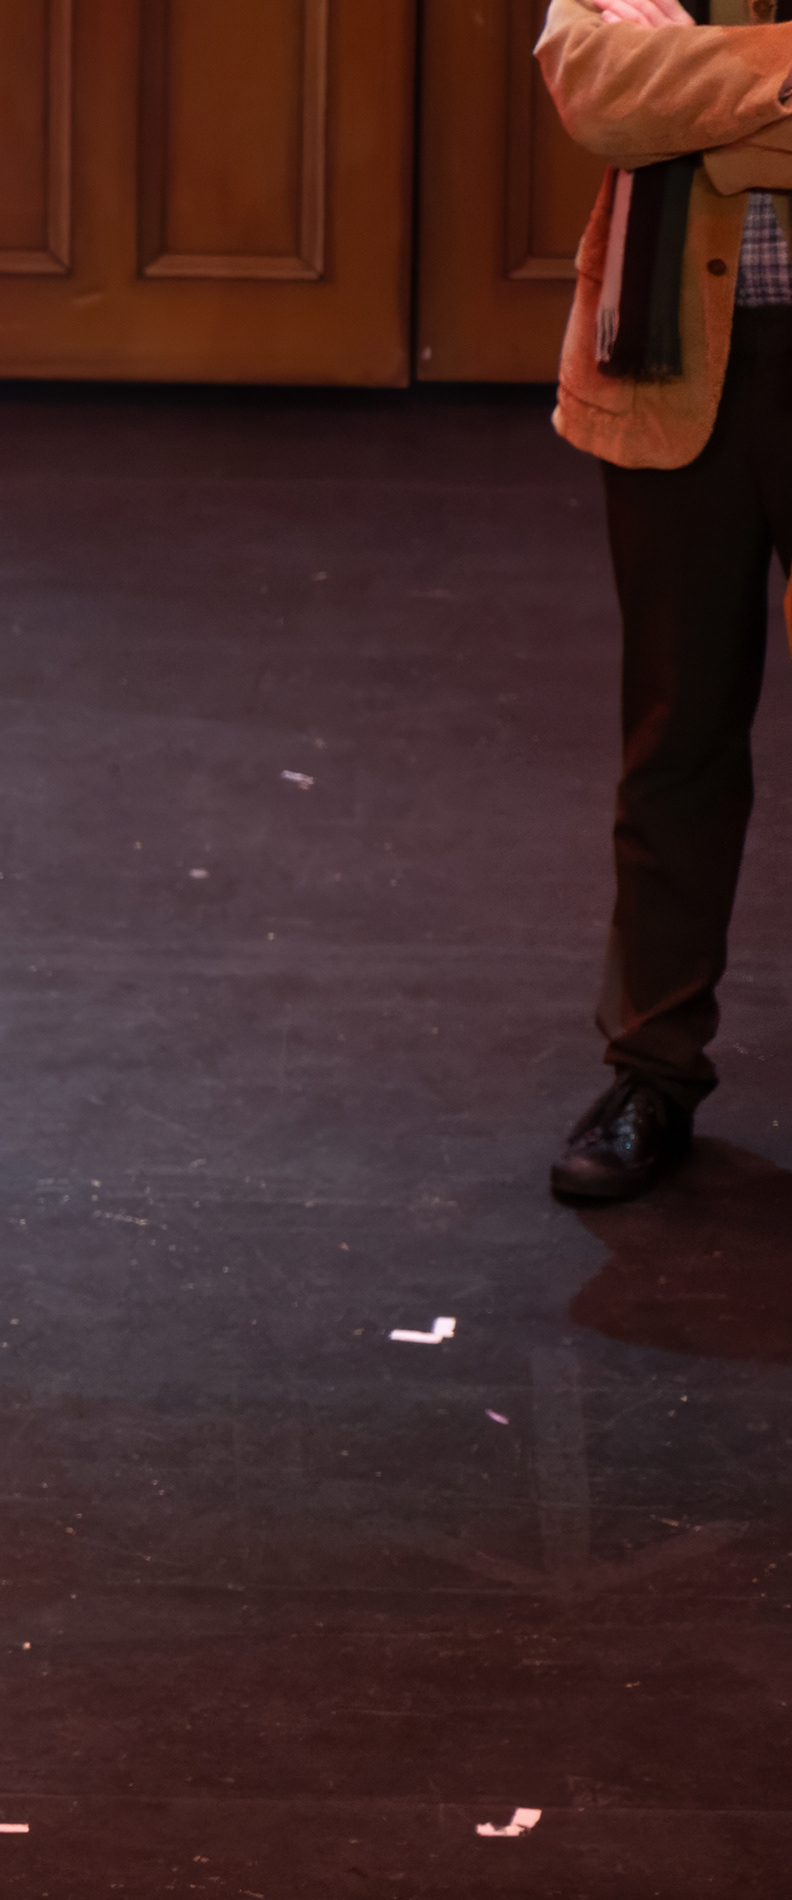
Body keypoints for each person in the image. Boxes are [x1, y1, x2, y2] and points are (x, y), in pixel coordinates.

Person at [536, 0, 791, 1201]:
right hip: (679, 361)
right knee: (676, 735)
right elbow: (592, 83)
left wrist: (693, 99)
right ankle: (652, 1071)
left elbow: (652, 95)